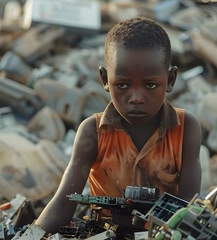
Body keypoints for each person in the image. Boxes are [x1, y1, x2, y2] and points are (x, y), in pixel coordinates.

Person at [35, 16, 202, 234]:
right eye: (122, 85)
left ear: (171, 80)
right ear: (104, 79)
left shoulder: (186, 128)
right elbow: (65, 202)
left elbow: (187, 205)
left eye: (150, 85)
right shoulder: (93, 132)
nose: (136, 98)